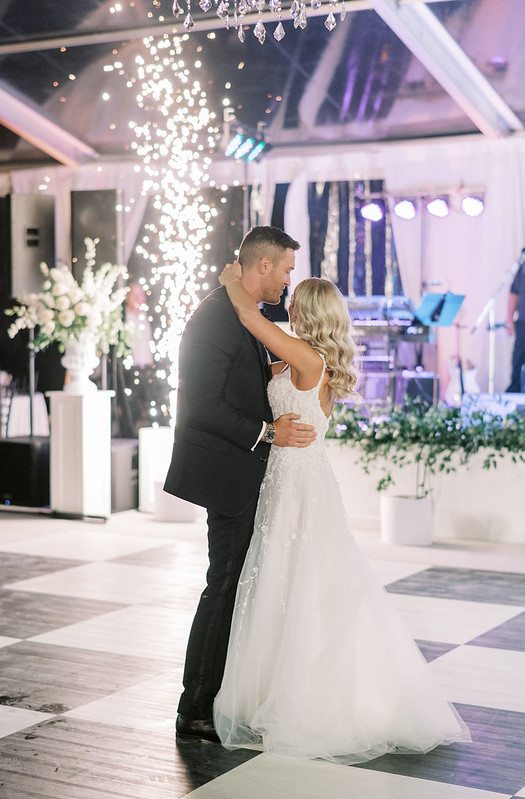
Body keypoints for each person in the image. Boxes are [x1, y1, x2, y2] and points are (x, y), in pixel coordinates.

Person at [213, 265, 471, 764]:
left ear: (302, 312)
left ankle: (306, 696)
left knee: (304, 582)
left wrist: (230, 280)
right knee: (281, 583)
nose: (286, 303)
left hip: (303, 485)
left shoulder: (308, 359)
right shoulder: (291, 364)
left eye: (293, 301)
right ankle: (273, 688)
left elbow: (248, 317)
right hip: (282, 481)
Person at [163, 226, 317, 743]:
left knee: (233, 587)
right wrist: (269, 431)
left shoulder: (240, 314)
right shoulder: (215, 319)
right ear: (264, 266)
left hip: (242, 472)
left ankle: (216, 697)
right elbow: (201, 405)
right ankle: (195, 708)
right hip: (225, 475)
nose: (289, 281)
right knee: (224, 586)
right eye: (287, 269)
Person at [506, 253, 525, 392]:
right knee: (519, 358)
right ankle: (515, 391)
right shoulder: (524, 265)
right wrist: (509, 318)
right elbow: (514, 292)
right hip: (524, 322)